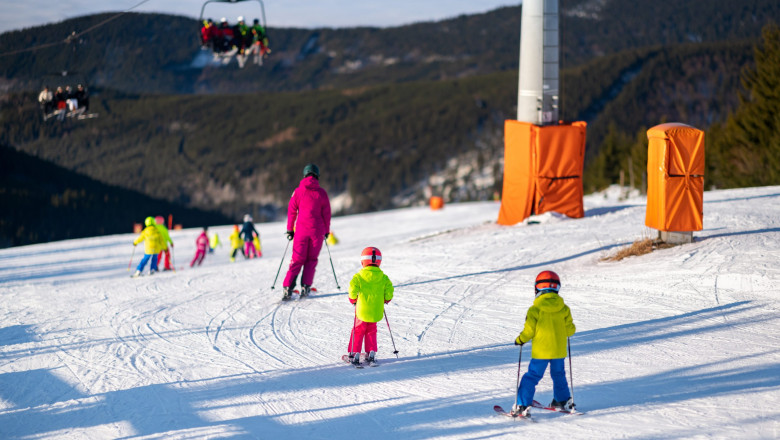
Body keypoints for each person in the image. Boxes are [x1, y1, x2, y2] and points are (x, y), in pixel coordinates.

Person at [511, 270, 576, 417]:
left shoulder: (535, 309)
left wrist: (520, 339)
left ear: (537, 288)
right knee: (559, 375)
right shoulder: (564, 309)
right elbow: (570, 330)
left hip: (541, 352)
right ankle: (562, 400)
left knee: (532, 376)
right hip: (558, 351)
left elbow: (529, 331)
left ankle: (522, 405)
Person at [282, 163, 331, 301]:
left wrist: (290, 229)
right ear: (317, 176)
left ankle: (288, 288)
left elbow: (292, 212)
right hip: (317, 232)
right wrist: (326, 231)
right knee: (311, 260)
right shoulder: (322, 193)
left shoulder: (297, 192)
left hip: (301, 232)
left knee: (297, 259)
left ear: (305, 175)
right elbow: (326, 215)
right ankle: (305, 287)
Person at [348, 247, 394, 367]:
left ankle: (355, 354)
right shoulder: (383, 277)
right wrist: (386, 299)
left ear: (363, 261)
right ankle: (371, 353)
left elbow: (352, 289)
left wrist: (353, 299)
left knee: (358, 330)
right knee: (371, 330)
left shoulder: (359, 276)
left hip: (361, 311)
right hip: (375, 310)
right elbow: (389, 290)